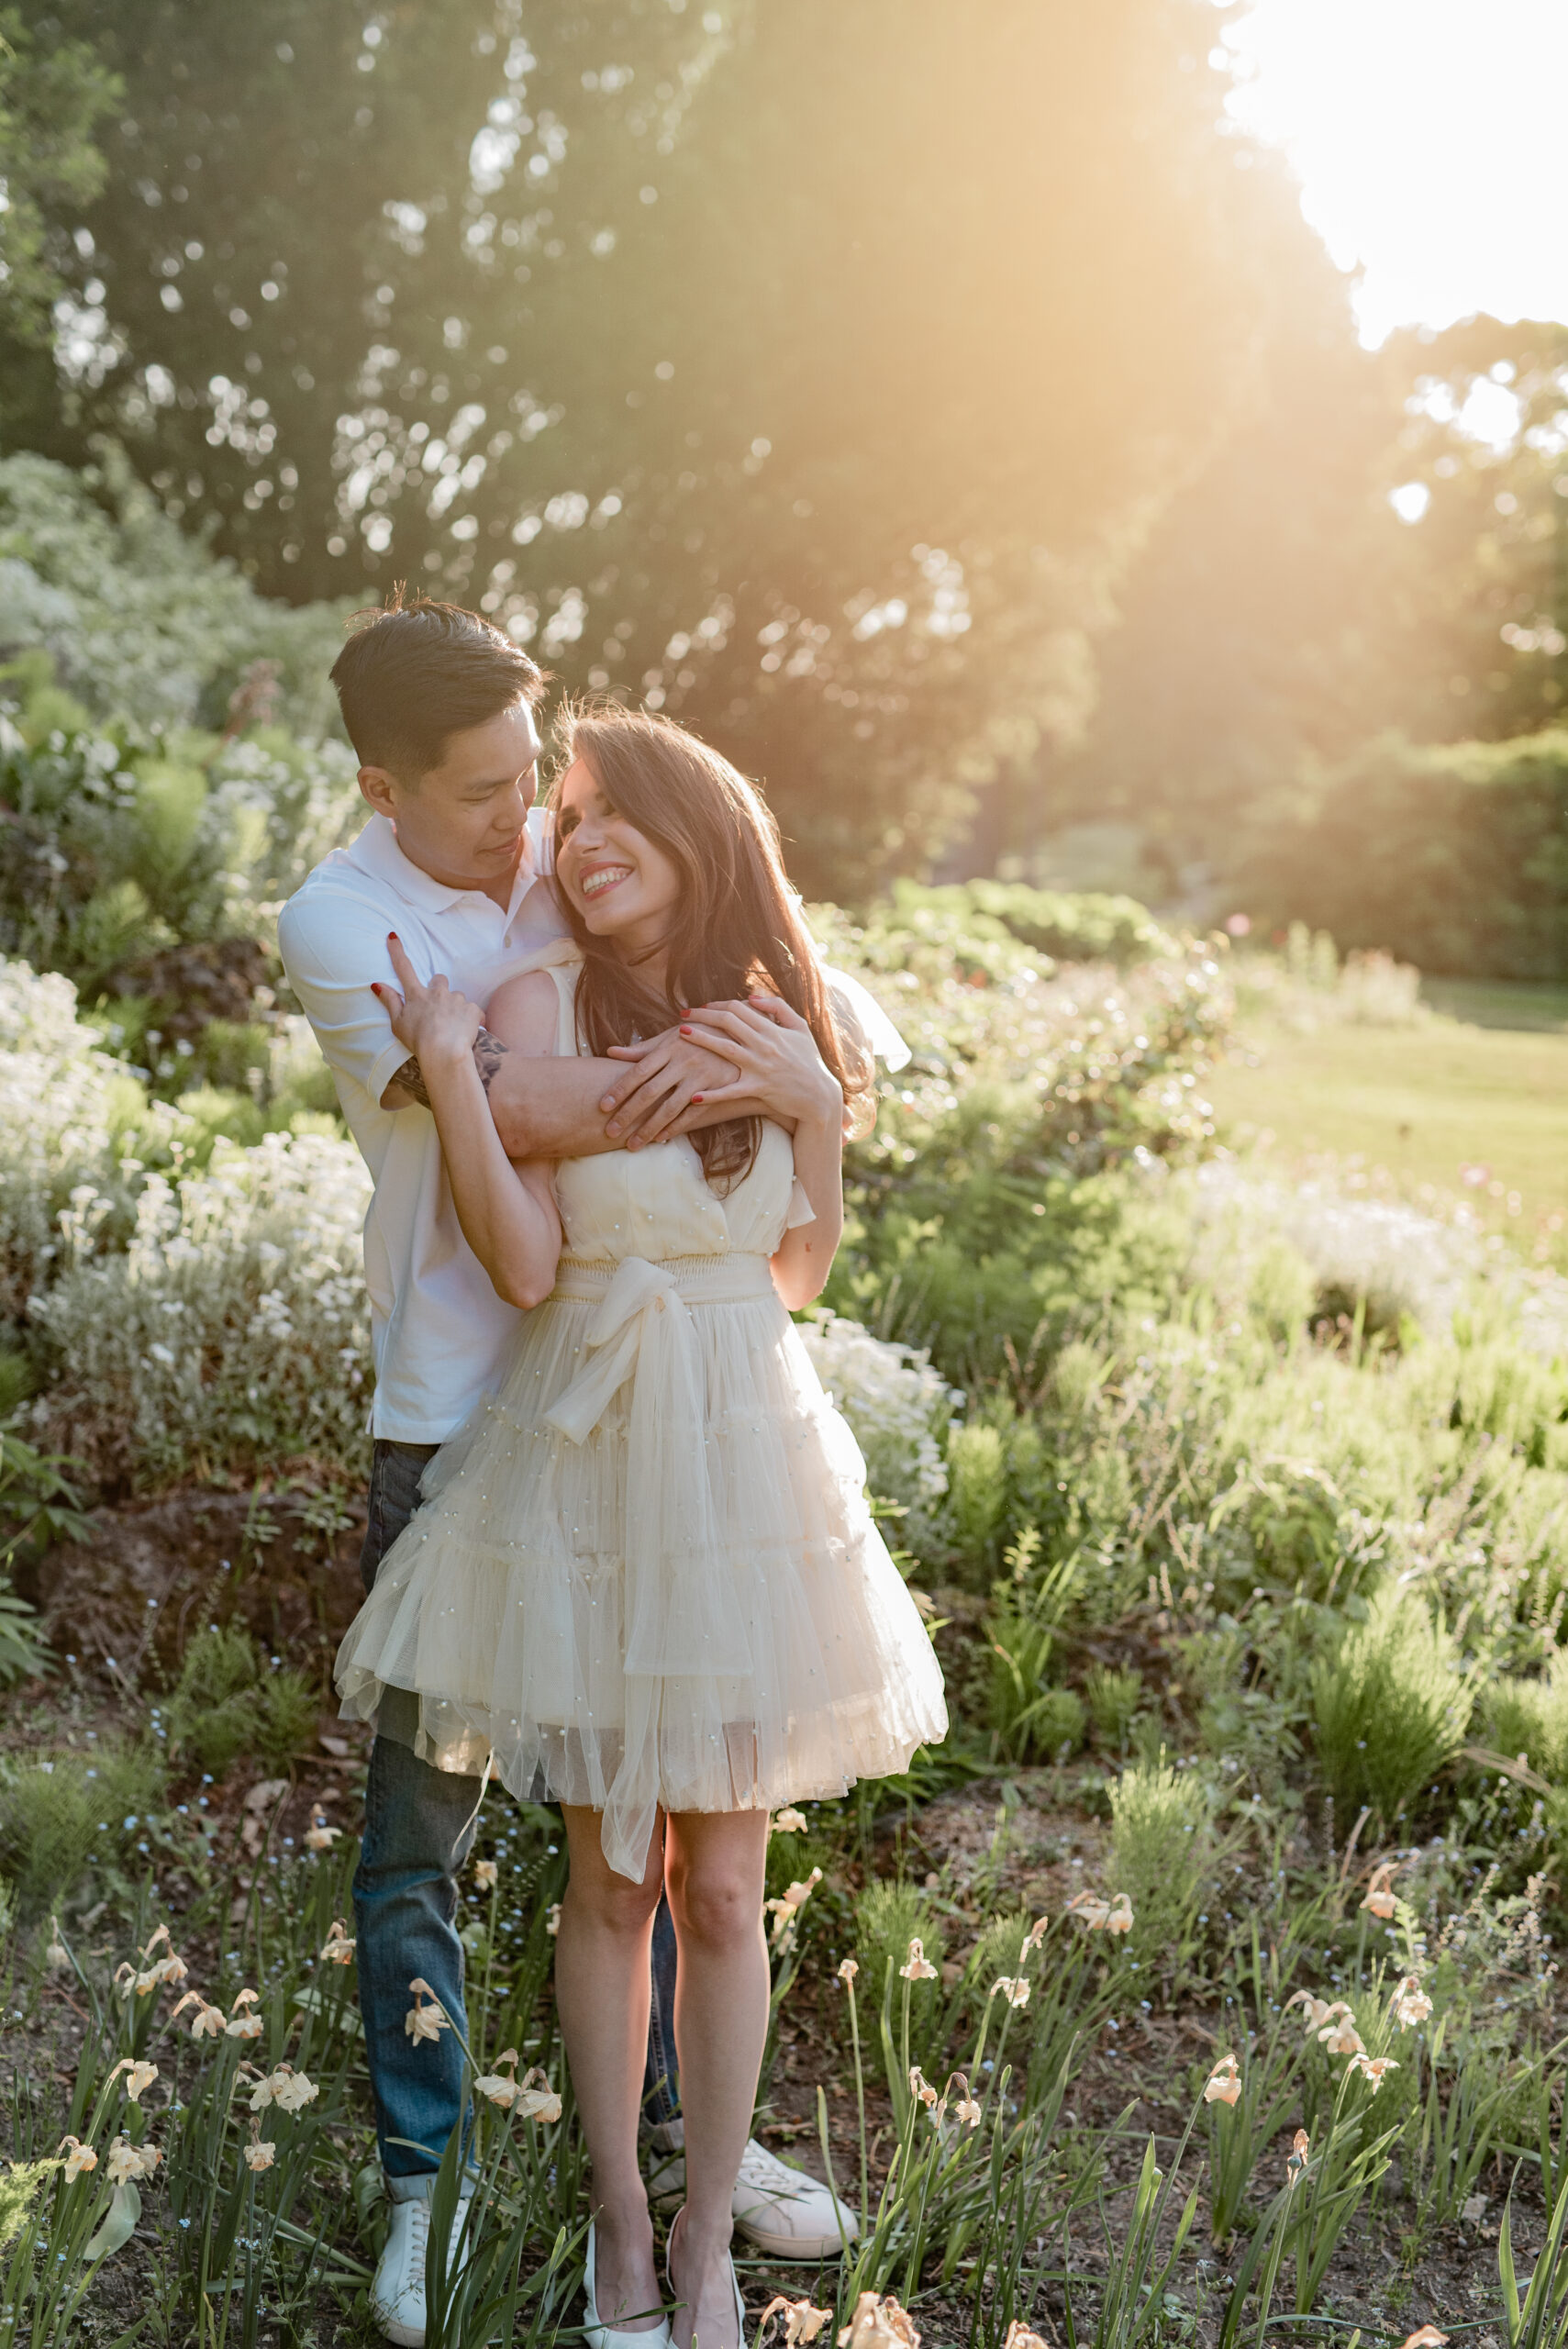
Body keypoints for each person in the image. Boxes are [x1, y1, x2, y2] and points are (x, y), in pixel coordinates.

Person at [276, 593, 912, 2349]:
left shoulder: (574, 855)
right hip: (470, 1398)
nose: (531, 824)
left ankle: (681, 2176)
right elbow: (530, 1123)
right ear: (383, 786)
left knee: (688, 1861)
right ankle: (436, 2180)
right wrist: (744, 1078)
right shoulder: (343, 920)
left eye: (535, 785)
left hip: (704, 1428)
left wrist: (805, 1079)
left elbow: (741, 943)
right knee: (438, 1832)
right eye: (486, 796)